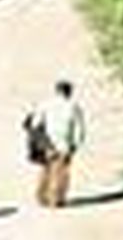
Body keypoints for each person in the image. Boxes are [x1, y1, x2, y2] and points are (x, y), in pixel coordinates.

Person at [27, 79, 86, 207]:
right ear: (69, 92)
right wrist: (75, 145)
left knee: (46, 170)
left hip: (47, 142)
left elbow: (34, 124)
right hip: (64, 143)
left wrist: (38, 142)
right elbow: (79, 129)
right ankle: (57, 199)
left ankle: (42, 197)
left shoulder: (46, 105)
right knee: (61, 172)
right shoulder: (74, 107)